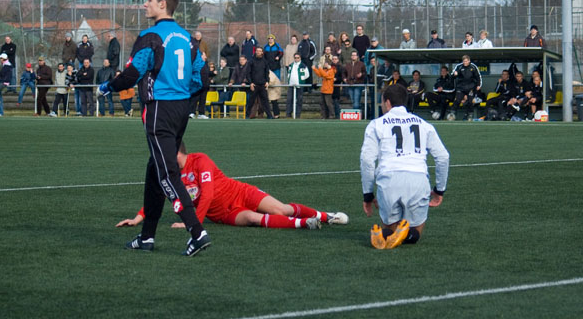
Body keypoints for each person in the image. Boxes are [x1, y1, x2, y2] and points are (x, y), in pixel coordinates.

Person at [97, 0, 211, 256]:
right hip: (180, 109)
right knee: (155, 169)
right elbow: (202, 78)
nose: (144, 4)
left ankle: (197, 233)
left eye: (149, 0)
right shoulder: (187, 38)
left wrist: (107, 87)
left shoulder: (150, 37)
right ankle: (147, 236)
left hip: (160, 108)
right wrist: (185, 99)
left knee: (167, 173)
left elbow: (132, 74)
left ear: (163, 5)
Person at [116, 144, 349, 230]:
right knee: (253, 219)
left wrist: (193, 221)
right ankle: (305, 224)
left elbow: (207, 194)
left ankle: (325, 216)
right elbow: (156, 195)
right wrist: (137, 218)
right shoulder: (169, 173)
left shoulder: (200, 160)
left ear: (177, 153)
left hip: (241, 192)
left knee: (282, 209)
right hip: (223, 214)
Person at [361, 84, 449, 249]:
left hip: (389, 179)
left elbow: (367, 160)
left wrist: (367, 195)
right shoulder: (424, 124)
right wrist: (439, 190)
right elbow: (443, 157)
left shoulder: (376, 124)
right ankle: (408, 234)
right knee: (415, 233)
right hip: (417, 179)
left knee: (390, 227)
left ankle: (384, 233)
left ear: (387, 102)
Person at [448, 55, 482, 121]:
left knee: (470, 101)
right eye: (464, 61)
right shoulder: (459, 66)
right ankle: (452, 114)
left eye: (466, 61)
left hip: (470, 87)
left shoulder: (473, 67)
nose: (465, 63)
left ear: (469, 61)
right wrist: (454, 74)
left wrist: (478, 85)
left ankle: (470, 115)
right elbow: (452, 76)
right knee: (458, 100)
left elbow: (478, 76)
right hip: (461, 87)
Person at [245, 47, 273, 119]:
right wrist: (250, 83)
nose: (258, 52)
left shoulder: (265, 62)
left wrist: (267, 82)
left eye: (260, 51)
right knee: (251, 101)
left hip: (263, 85)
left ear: (262, 52)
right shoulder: (251, 61)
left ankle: (269, 115)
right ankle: (247, 115)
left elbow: (267, 73)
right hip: (254, 85)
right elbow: (248, 73)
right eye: (257, 51)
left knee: (265, 101)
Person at [286, 53, 309, 118]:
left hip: (300, 85)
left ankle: (297, 114)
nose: (296, 59)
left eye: (298, 58)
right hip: (291, 85)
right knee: (289, 100)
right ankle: (288, 114)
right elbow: (288, 73)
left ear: (300, 58)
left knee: (299, 100)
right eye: (295, 58)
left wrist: (301, 79)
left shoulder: (303, 65)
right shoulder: (291, 65)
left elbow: (307, 75)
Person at [189, 51, 210, 119]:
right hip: (198, 85)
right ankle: (192, 112)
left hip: (205, 85)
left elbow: (207, 74)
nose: (205, 56)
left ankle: (201, 113)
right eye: (204, 55)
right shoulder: (197, 63)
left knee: (203, 100)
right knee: (194, 99)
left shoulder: (206, 63)